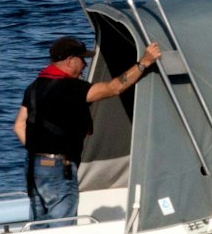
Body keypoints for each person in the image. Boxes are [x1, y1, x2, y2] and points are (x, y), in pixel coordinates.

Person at [16, 35, 164, 219]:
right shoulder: (72, 88)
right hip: (59, 167)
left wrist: (39, 151)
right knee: (61, 223)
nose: (85, 65)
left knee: (38, 222)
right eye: (82, 59)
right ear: (70, 60)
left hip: (33, 164)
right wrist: (143, 63)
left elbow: (19, 125)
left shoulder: (34, 87)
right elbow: (114, 88)